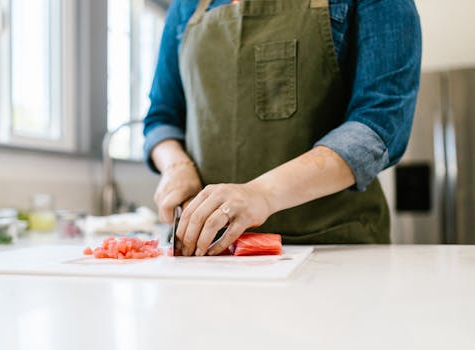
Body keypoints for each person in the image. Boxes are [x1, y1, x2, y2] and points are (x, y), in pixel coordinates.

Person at [143, 0, 421, 256]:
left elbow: (380, 123)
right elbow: (161, 117)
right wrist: (176, 167)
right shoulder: (185, 6)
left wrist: (261, 194)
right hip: (207, 252)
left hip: (332, 247)